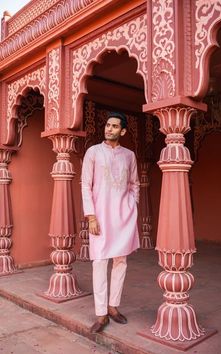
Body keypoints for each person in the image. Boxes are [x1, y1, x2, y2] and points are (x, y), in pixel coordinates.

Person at [81, 112, 140, 333]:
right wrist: (91, 217)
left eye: (115, 126)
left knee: (120, 262)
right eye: (107, 125)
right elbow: (85, 185)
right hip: (100, 218)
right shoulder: (93, 152)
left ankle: (113, 307)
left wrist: (132, 206)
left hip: (123, 217)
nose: (109, 129)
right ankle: (101, 314)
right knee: (99, 262)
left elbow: (134, 184)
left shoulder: (129, 155)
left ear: (122, 131)